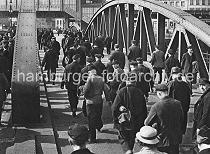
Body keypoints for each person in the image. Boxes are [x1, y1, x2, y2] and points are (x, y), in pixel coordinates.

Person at [112, 74, 147, 154]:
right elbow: (144, 109)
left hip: (124, 121)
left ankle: (127, 151)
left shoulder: (122, 91)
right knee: (132, 138)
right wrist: (142, 123)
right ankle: (130, 149)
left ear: (127, 81)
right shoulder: (140, 92)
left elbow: (114, 107)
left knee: (123, 138)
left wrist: (115, 120)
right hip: (136, 121)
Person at [144, 84, 184, 154]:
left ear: (159, 93)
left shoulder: (156, 106)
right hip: (175, 138)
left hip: (162, 140)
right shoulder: (178, 103)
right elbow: (182, 120)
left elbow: (147, 123)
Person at [83, 66, 110, 143]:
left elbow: (86, 90)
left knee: (91, 119)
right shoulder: (101, 79)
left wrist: (85, 97)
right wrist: (108, 99)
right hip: (99, 100)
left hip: (90, 101)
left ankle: (92, 138)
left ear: (90, 72)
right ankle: (99, 126)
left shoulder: (90, 79)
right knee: (98, 115)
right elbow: (106, 89)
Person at [167, 67, 191, 134]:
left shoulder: (171, 83)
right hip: (183, 107)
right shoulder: (185, 84)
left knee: (173, 125)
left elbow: (168, 96)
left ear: (173, 74)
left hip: (173, 108)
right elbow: (188, 97)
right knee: (181, 125)